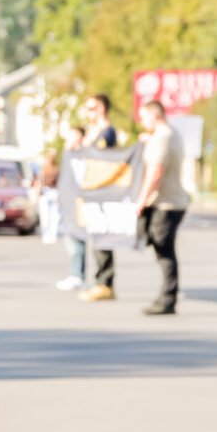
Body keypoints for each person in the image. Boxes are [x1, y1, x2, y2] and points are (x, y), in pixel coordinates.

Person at [135, 100, 190, 315]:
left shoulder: (162, 137)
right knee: (162, 248)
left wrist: (141, 200)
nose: (142, 121)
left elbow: (156, 172)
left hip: (166, 203)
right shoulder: (169, 134)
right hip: (170, 202)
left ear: (154, 115)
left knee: (164, 250)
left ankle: (168, 298)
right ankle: (168, 295)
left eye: (144, 117)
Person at [79, 94, 118, 301]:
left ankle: (105, 283)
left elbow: (100, 156)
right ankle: (101, 282)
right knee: (96, 236)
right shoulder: (96, 132)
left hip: (102, 192)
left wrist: (89, 142)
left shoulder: (107, 132)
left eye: (91, 108)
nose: (88, 113)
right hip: (93, 191)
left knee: (101, 237)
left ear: (101, 108)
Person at [55, 126, 87, 291]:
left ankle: (78, 275)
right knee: (71, 238)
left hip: (78, 204)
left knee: (77, 239)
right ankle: (76, 275)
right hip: (67, 203)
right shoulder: (68, 154)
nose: (67, 140)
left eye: (71, 136)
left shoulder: (83, 155)